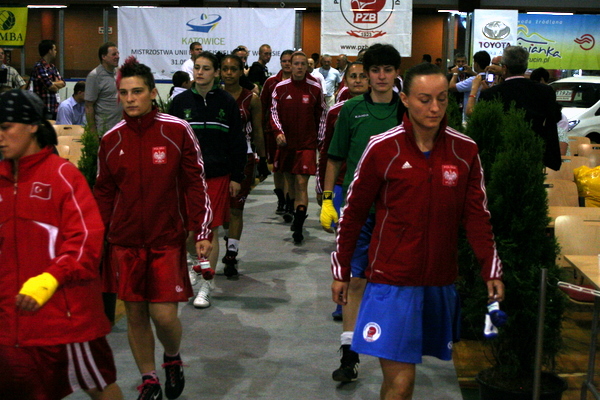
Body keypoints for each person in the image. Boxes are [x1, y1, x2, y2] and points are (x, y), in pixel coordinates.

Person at [331, 62, 504, 400]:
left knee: (402, 384)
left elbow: (477, 217)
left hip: (440, 282)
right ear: (406, 100)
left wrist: (491, 269)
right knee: (401, 384)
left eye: (442, 98)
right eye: (425, 99)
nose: (435, 108)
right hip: (391, 282)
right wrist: (341, 270)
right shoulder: (382, 147)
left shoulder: (465, 150)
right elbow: (352, 214)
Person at [94, 57, 213, 400]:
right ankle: (149, 380)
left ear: (151, 93)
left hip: (166, 240)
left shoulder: (177, 130)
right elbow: (103, 194)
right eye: (124, 93)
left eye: (137, 92)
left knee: (163, 316)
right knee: (134, 315)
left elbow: (195, 183)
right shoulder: (110, 140)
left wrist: (202, 231)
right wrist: (96, 240)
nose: (130, 99)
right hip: (124, 242)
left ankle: (172, 357)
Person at [0, 89, 123, 400]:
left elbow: (87, 241)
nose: (0, 136)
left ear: (32, 125)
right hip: (12, 322)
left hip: (66, 321)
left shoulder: (62, 176)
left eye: (6, 127)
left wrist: (50, 279)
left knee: (99, 387)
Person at [320, 43, 405, 383]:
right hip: (359, 210)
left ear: (396, 73)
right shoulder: (351, 110)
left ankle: (394, 352)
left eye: (388, 69)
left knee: (394, 284)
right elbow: (335, 158)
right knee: (355, 280)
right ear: (367, 74)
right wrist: (328, 199)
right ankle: (349, 355)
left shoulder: (407, 110)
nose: (381, 76)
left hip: (398, 213)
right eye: (375, 70)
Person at [169, 51, 247, 307]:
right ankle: (194, 261)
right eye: (197, 67)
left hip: (217, 176)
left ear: (216, 73)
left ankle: (206, 285)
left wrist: (237, 176)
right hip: (186, 178)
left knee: (210, 230)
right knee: (189, 231)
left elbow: (237, 142)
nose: (200, 72)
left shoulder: (227, 102)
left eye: (205, 68)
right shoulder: (179, 102)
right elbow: (170, 141)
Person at [270, 51, 327, 243]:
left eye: (303, 63)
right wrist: (278, 132)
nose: (300, 67)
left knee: (302, 183)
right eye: (296, 63)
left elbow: (322, 116)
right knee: (291, 182)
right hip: (286, 145)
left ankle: (299, 226)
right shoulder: (280, 88)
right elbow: (273, 112)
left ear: (307, 66)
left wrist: (320, 140)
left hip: (307, 145)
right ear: (291, 66)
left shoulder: (315, 88)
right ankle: (294, 211)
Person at [221, 54, 268, 276]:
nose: (229, 73)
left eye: (233, 69)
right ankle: (228, 235)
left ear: (241, 72)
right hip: (217, 160)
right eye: (225, 69)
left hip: (244, 159)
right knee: (223, 211)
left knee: (235, 209)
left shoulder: (252, 99)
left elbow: (258, 131)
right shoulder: (214, 97)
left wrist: (263, 159)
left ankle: (231, 253)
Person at [478, 46, 562, 171]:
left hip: (501, 157)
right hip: (534, 155)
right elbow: (554, 119)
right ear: (525, 66)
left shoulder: (490, 94)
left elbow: (484, 128)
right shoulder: (545, 91)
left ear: (504, 68)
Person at [261, 50, 294, 215]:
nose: (287, 64)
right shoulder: (271, 82)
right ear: (280, 62)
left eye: (290, 61)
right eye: (284, 61)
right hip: (273, 132)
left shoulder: (301, 81)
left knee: (289, 168)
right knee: (277, 168)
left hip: (293, 132)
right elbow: (263, 106)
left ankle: (289, 200)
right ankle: (281, 199)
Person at [85, 42, 122, 135]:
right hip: (104, 131)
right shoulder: (95, 76)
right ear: (104, 57)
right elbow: (89, 106)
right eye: (114, 54)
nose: (117, 56)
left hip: (120, 128)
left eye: (118, 54)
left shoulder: (119, 73)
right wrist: (93, 132)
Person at [449, 50, 491, 121]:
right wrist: (472, 72)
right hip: (482, 113)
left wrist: (455, 74)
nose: (461, 64)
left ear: (476, 64)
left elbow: (451, 87)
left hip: (470, 115)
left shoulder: (472, 79)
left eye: (463, 61)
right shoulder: (489, 78)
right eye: (458, 62)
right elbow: (480, 76)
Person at [30, 40, 66, 120]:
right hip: (43, 109)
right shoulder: (39, 66)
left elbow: (63, 83)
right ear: (50, 51)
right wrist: (54, 83)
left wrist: (52, 83)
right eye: (54, 49)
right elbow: (51, 87)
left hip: (54, 108)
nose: (56, 52)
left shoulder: (52, 67)